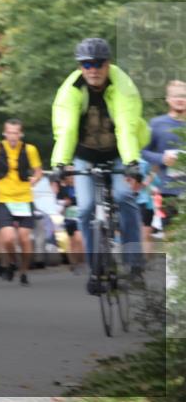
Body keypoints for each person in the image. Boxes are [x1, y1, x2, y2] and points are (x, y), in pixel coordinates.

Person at [50, 38, 148, 295]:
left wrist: (132, 163)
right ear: (80, 67)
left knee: (124, 196)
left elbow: (126, 126)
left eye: (99, 63)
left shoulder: (123, 86)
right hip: (85, 155)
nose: (93, 69)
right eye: (87, 64)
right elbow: (65, 129)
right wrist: (60, 163)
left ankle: (134, 264)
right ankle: (95, 269)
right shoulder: (71, 89)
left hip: (118, 153)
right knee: (84, 209)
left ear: (108, 64)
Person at [0, 119, 43, 285]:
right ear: (4, 133)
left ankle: (24, 271)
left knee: (24, 238)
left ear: (21, 134)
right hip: (4, 198)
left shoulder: (30, 149)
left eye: (15, 133)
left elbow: (38, 171)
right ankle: (12, 262)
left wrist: (35, 179)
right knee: (8, 238)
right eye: (9, 132)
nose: (12, 136)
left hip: (24, 198)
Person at [141, 80, 185, 225]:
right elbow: (142, 152)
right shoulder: (156, 123)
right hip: (168, 190)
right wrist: (162, 158)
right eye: (176, 96)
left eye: (183, 96)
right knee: (171, 233)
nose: (180, 99)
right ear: (168, 99)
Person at [51, 172, 84, 273]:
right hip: (69, 217)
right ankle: (73, 264)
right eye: (70, 177)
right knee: (71, 241)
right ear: (66, 179)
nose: (72, 178)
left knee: (79, 239)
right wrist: (65, 203)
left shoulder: (81, 188)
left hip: (80, 217)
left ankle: (79, 262)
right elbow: (61, 203)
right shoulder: (64, 190)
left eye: (73, 176)